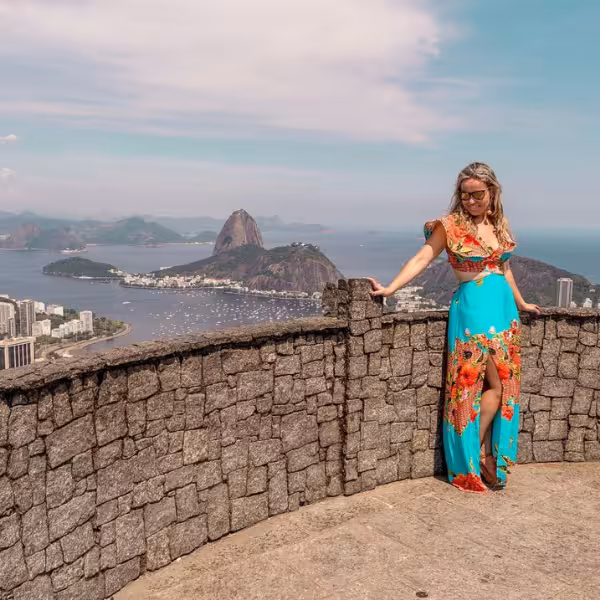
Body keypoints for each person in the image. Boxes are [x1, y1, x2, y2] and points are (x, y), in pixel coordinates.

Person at [368, 162, 540, 493]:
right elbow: (422, 258)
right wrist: (390, 289)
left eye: (477, 195)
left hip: (504, 312)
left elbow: (503, 268)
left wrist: (520, 302)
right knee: (477, 386)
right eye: (465, 195)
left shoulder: (499, 225)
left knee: (504, 388)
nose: (471, 202)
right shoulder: (448, 226)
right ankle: (472, 456)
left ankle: (487, 455)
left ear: (492, 192)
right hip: (474, 310)